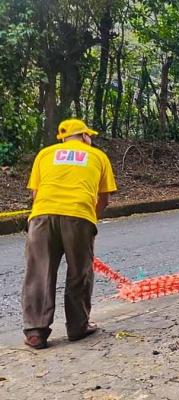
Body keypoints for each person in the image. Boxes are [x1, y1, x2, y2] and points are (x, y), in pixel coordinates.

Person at [22, 119, 117, 349]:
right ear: (84, 136)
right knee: (79, 273)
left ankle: (36, 331)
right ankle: (77, 327)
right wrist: (87, 217)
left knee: (39, 272)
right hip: (78, 216)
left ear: (63, 138)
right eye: (89, 135)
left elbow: (35, 194)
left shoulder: (45, 154)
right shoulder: (97, 156)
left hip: (42, 216)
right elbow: (104, 198)